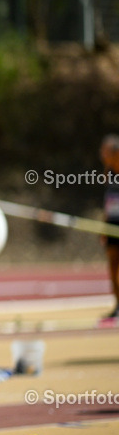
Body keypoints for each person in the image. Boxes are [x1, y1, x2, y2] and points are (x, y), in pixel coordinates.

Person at [101, 134, 119, 320]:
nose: (102, 155)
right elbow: (108, 201)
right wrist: (104, 227)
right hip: (112, 224)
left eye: (105, 152)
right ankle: (118, 306)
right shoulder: (109, 172)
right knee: (113, 266)